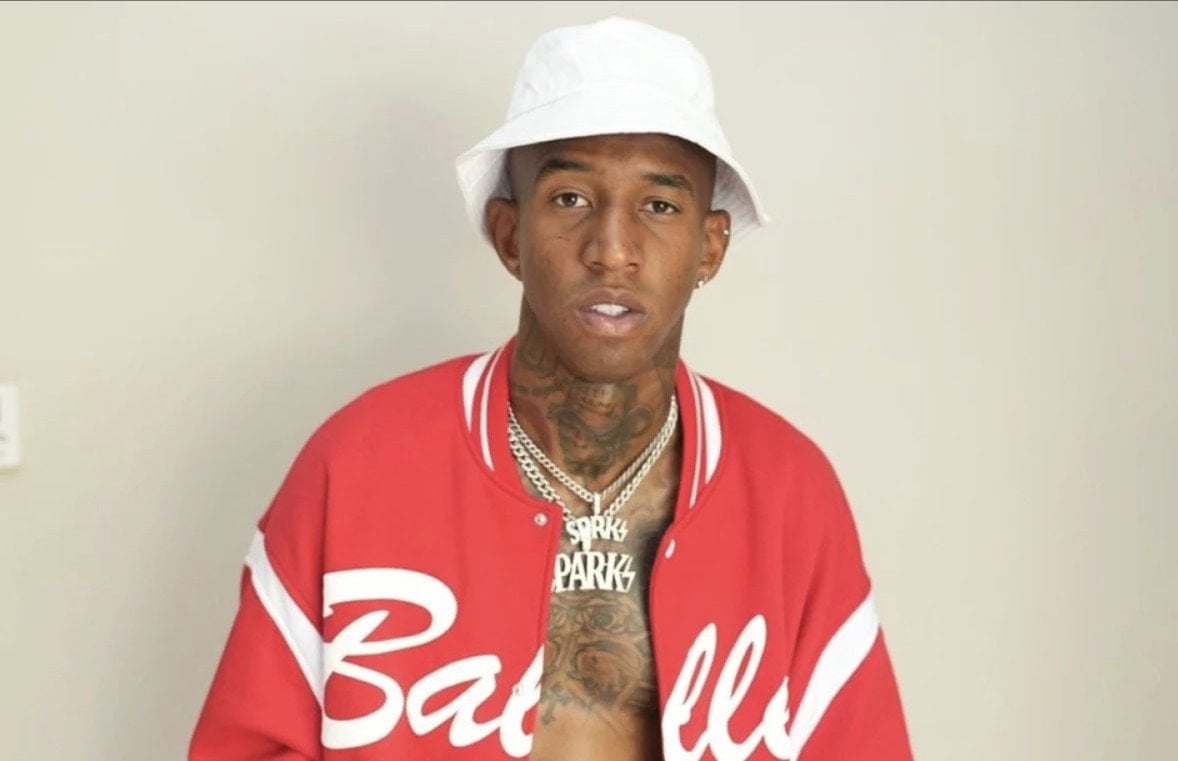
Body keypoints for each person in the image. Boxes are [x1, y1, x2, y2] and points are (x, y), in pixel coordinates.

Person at [189, 16, 914, 761]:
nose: (612, 250)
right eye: (570, 198)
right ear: (510, 235)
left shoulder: (789, 491)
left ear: (709, 246)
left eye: (659, 205)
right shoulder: (358, 465)